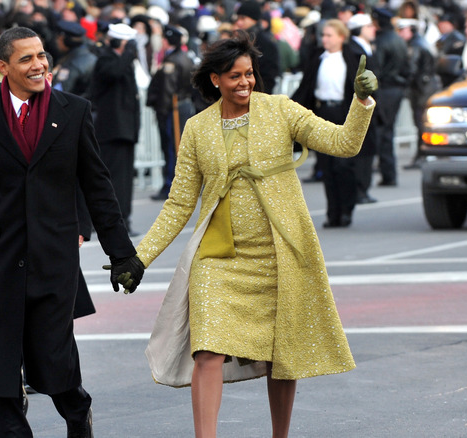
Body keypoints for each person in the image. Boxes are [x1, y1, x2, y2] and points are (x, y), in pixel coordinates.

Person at [137, 30, 377, 437]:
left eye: (249, 74)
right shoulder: (196, 129)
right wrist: (138, 257)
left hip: (278, 252)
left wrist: (362, 102)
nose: (245, 82)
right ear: (215, 79)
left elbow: (343, 143)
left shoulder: (281, 110)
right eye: (234, 76)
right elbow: (179, 204)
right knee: (208, 349)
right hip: (218, 257)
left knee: (279, 355)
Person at [0, 26, 143, 438]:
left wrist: (122, 253)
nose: (38, 65)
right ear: (3, 67)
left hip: (53, 255)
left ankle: (76, 409)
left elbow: (97, 186)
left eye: (41, 56)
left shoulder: (73, 110)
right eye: (26, 59)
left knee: (51, 357)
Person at [292, 19, 362, 228]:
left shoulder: (353, 58)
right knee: (327, 167)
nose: (325, 39)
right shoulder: (317, 58)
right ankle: (333, 213)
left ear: (341, 37)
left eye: (329, 35)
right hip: (322, 112)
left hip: (344, 112)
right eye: (323, 35)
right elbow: (306, 87)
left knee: (343, 165)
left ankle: (347, 209)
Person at [88, 23, 141, 236]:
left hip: (125, 130)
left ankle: (123, 221)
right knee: (112, 179)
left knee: (125, 180)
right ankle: (109, 222)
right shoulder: (106, 59)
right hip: (111, 129)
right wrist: (127, 54)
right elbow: (113, 73)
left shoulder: (123, 61)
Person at [146, 25, 196, 201]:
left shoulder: (172, 61)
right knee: (178, 147)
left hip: (173, 109)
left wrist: (161, 111)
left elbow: (168, 90)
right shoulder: (184, 57)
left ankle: (171, 185)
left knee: (172, 147)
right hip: (182, 106)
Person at [371, 7, 408, 187]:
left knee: (383, 132)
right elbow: (408, 68)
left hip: (385, 89)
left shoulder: (381, 41)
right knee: (388, 130)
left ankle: (388, 173)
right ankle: (389, 172)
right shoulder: (399, 40)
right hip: (396, 89)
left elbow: (376, 70)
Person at [397, 18, 440, 170]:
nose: (400, 33)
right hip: (425, 88)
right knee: (421, 123)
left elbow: (412, 69)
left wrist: (402, 82)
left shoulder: (415, 46)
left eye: (403, 30)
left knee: (421, 123)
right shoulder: (420, 43)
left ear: (411, 30)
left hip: (421, 90)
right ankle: (423, 154)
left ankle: (423, 154)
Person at [346, 13, 379, 204]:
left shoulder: (364, 47)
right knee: (362, 150)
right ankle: (359, 189)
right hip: (362, 106)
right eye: (368, 26)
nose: (373, 29)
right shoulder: (355, 50)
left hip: (369, 105)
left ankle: (363, 189)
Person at [233, 0, 281, 94]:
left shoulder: (266, 44)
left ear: (254, 19)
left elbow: (269, 77)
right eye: (238, 19)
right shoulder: (238, 40)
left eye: (243, 18)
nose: (239, 22)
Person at [51, 20, 98, 96]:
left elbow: (58, 92)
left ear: (64, 40)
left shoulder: (72, 65)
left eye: (58, 39)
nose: (57, 42)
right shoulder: (90, 53)